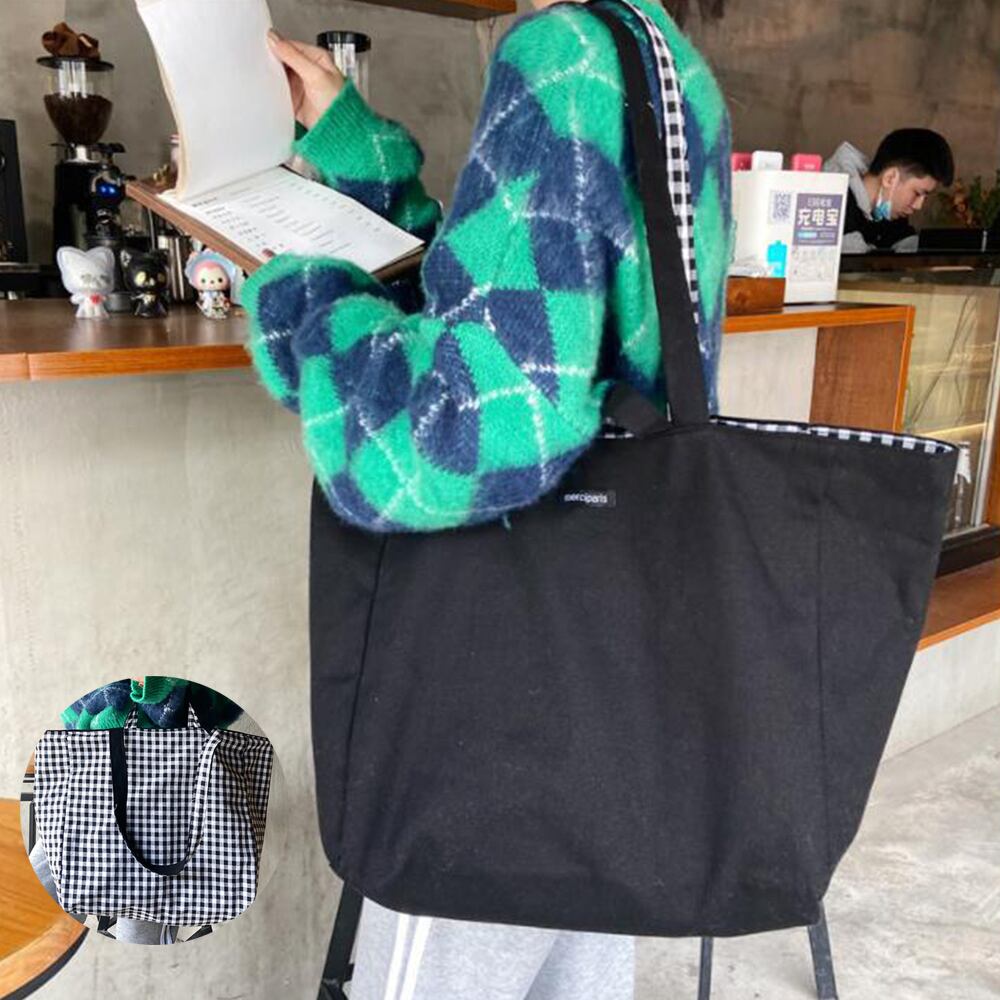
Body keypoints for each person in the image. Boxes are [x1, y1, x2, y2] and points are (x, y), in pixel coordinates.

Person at [248, 0, 731, 995]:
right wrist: (357, 150)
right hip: (609, 658)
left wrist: (297, 294)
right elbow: (519, 308)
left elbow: (462, 433)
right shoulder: (665, 62)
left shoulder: (561, 55)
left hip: (498, 705)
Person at [824, 128, 954, 253]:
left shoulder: (888, 209)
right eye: (917, 193)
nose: (918, 206)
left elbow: (906, 243)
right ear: (890, 178)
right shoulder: (831, 205)